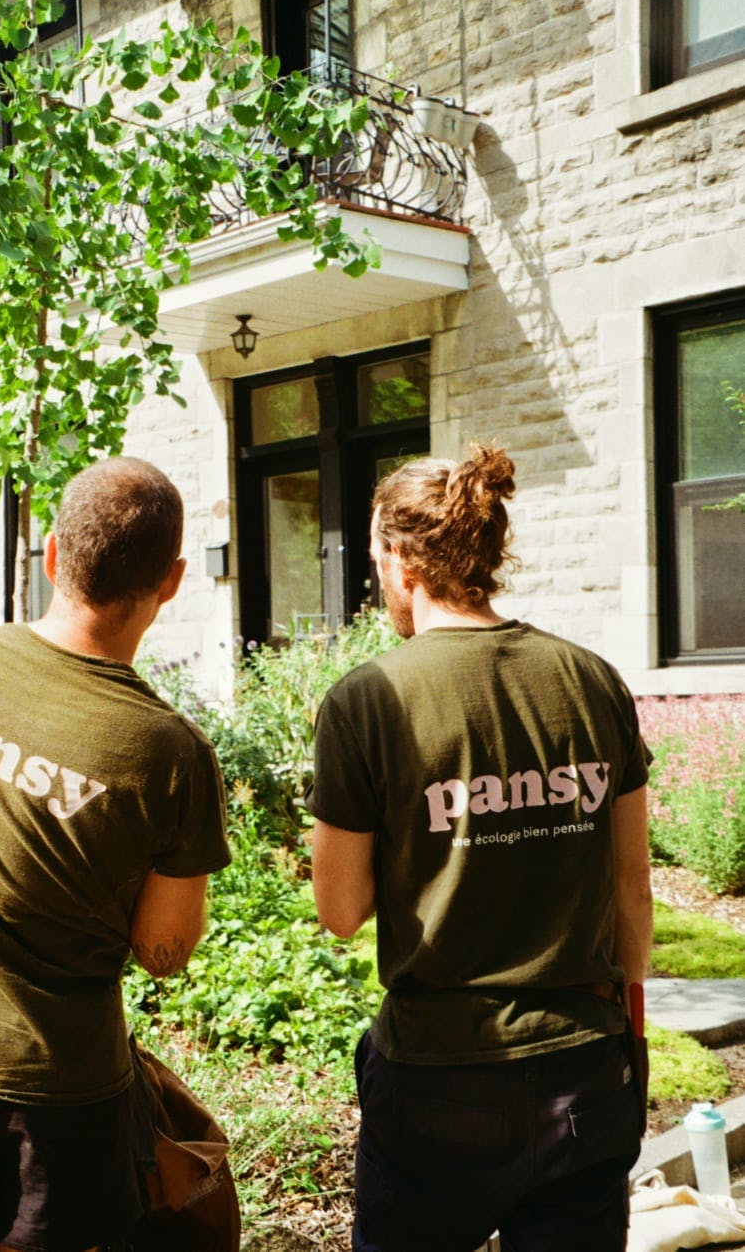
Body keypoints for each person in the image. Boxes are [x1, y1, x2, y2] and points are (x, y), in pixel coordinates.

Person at [0, 456, 230, 1252]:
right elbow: (163, 951)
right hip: (58, 1092)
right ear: (171, 581)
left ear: (53, 556)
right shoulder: (172, 753)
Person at [308, 443, 652, 1252]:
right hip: (586, 1072)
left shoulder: (366, 701)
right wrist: (627, 1045)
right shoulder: (592, 679)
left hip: (439, 1082)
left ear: (398, 560)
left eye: (373, 558)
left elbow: (340, 911)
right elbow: (632, 890)